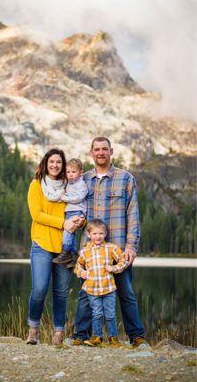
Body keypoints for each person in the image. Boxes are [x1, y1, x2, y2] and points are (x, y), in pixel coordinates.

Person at [72, 137, 148, 349]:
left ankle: (136, 336)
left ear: (111, 151)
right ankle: (81, 335)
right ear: (91, 153)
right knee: (86, 294)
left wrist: (131, 246)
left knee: (126, 293)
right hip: (91, 251)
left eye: (104, 149)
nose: (101, 153)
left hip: (119, 251)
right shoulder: (83, 180)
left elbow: (133, 215)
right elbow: (74, 207)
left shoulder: (125, 178)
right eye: (97, 149)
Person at [26, 148, 80, 345]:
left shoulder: (70, 186)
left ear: (63, 165)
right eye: (52, 162)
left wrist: (79, 221)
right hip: (41, 243)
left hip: (66, 247)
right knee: (39, 288)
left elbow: (78, 208)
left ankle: (58, 332)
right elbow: (37, 215)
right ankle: (33, 329)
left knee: (60, 292)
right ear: (45, 163)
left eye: (59, 162)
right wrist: (62, 223)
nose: (55, 165)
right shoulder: (36, 185)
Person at [74, 219, 128, 347]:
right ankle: (97, 337)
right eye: (94, 234)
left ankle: (113, 338)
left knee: (110, 314)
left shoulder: (111, 248)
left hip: (108, 288)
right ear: (88, 235)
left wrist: (114, 268)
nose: (97, 236)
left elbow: (123, 260)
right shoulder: (85, 251)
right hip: (92, 290)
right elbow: (78, 266)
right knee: (96, 313)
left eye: (100, 233)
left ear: (105, 234)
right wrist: (82, 272)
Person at [41, 158, 88, 268]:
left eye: (73, 172)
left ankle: (66, 251)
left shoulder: (81, 184)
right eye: (68, 172)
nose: (70, 175)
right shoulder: (69, 183)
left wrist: (65, 198)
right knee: (71, 233)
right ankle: (74, 254)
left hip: (77, 210)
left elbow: (79, 197)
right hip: (71, 211)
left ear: (80, 172)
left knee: (68, 231)